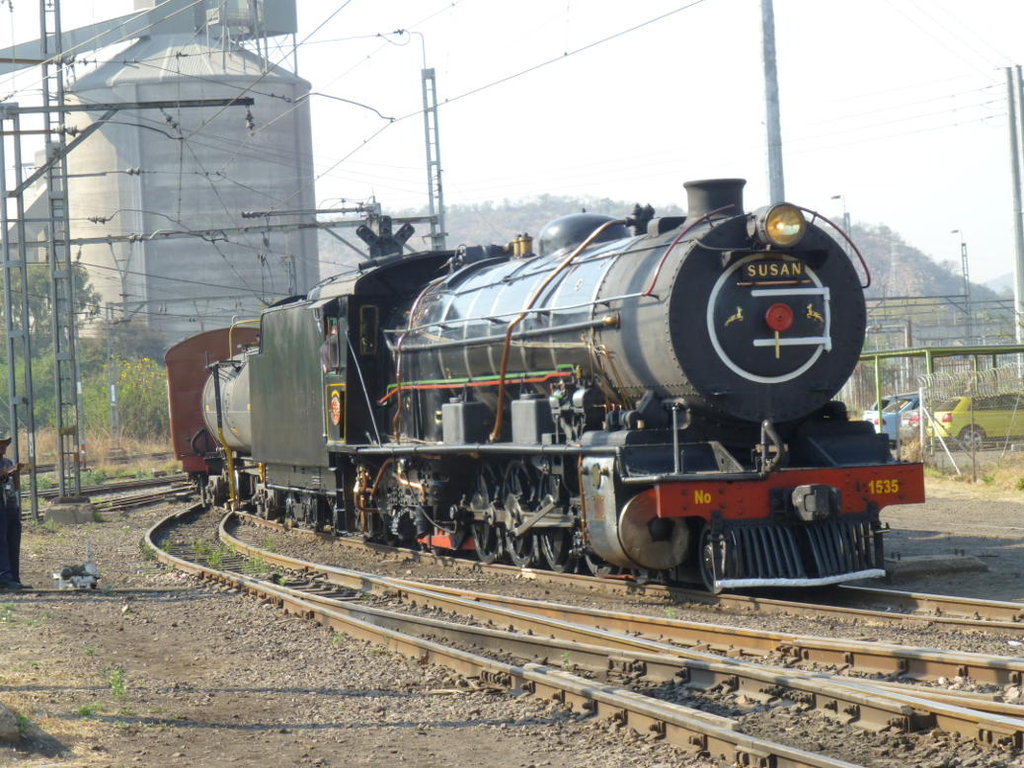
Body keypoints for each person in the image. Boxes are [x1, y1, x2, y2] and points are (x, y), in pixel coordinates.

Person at [0, 433, 25, 590]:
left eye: (4, 444)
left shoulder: (7, 462)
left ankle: (14, 577)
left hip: (10, 506)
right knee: (2, 541)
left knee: (12, 541)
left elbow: (16, 487)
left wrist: (15, 473)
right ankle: (4, 576)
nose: (3, 447)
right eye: (1, 444)